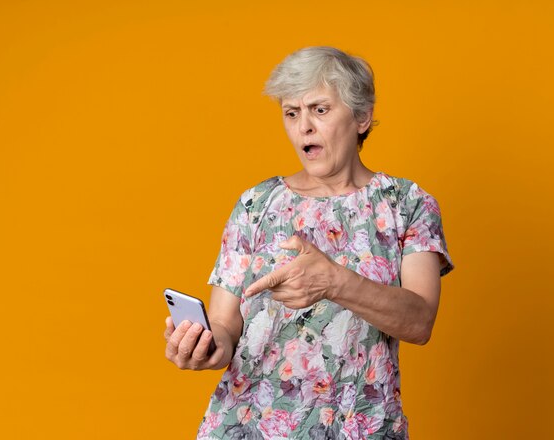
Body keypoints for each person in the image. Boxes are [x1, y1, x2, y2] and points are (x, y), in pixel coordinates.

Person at [164, 46, 454, 439]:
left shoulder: (407, 204)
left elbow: (419, 322)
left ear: (362, 117)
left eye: (319, 109)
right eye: (291, 113)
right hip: (249, 424)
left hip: (359, 424)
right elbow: (225, 322)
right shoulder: (255, 205)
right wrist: (207, 346)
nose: (304, 127)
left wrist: (334, 281)